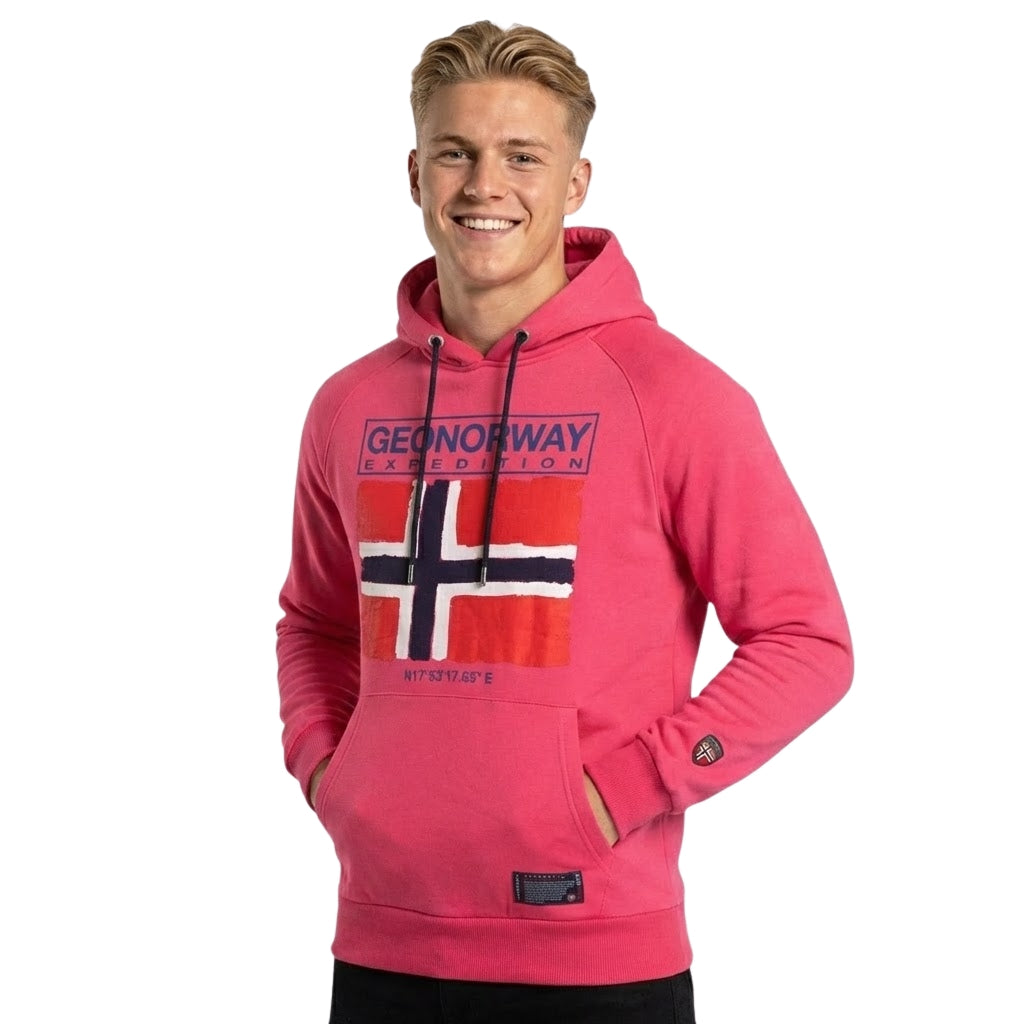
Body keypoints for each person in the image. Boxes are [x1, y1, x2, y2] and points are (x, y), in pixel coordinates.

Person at [276, 19, 854, 1024]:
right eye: (455, 152)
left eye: (522, 157)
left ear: (576, 183)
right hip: (384, 938)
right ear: (413, 173)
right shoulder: (348, 405)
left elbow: (808, 642)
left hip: (597, 953)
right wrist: (328, 771)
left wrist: (623, 791)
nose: (483, 185)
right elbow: (315, 622)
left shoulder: (674, 396)